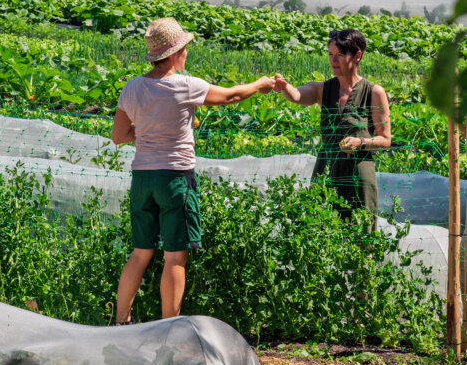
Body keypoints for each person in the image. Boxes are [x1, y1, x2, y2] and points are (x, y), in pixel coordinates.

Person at [110, 17, 275, 324]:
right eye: (184, 48)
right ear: (173, 54)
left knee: (140, 252)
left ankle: (120, 321)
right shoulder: (187, 85)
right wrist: (260, 85)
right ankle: (167, 327)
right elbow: (232, 96)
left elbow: (119, 136)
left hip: (143, 178)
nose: (186, 53)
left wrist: (148, 130)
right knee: (175, 256)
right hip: (175, 179)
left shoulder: (132, 88)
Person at [273, 29, 391, 218]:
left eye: (340, 55)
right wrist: (284, 87)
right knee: (321, 225)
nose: (333, 61)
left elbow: (385, 139)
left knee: (360, 229)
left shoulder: (374, 92)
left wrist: (360, 142)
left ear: (357, 56)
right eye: (330, 54)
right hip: (326, 168)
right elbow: (297, 96)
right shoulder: (322, 89)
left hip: (358, 172)